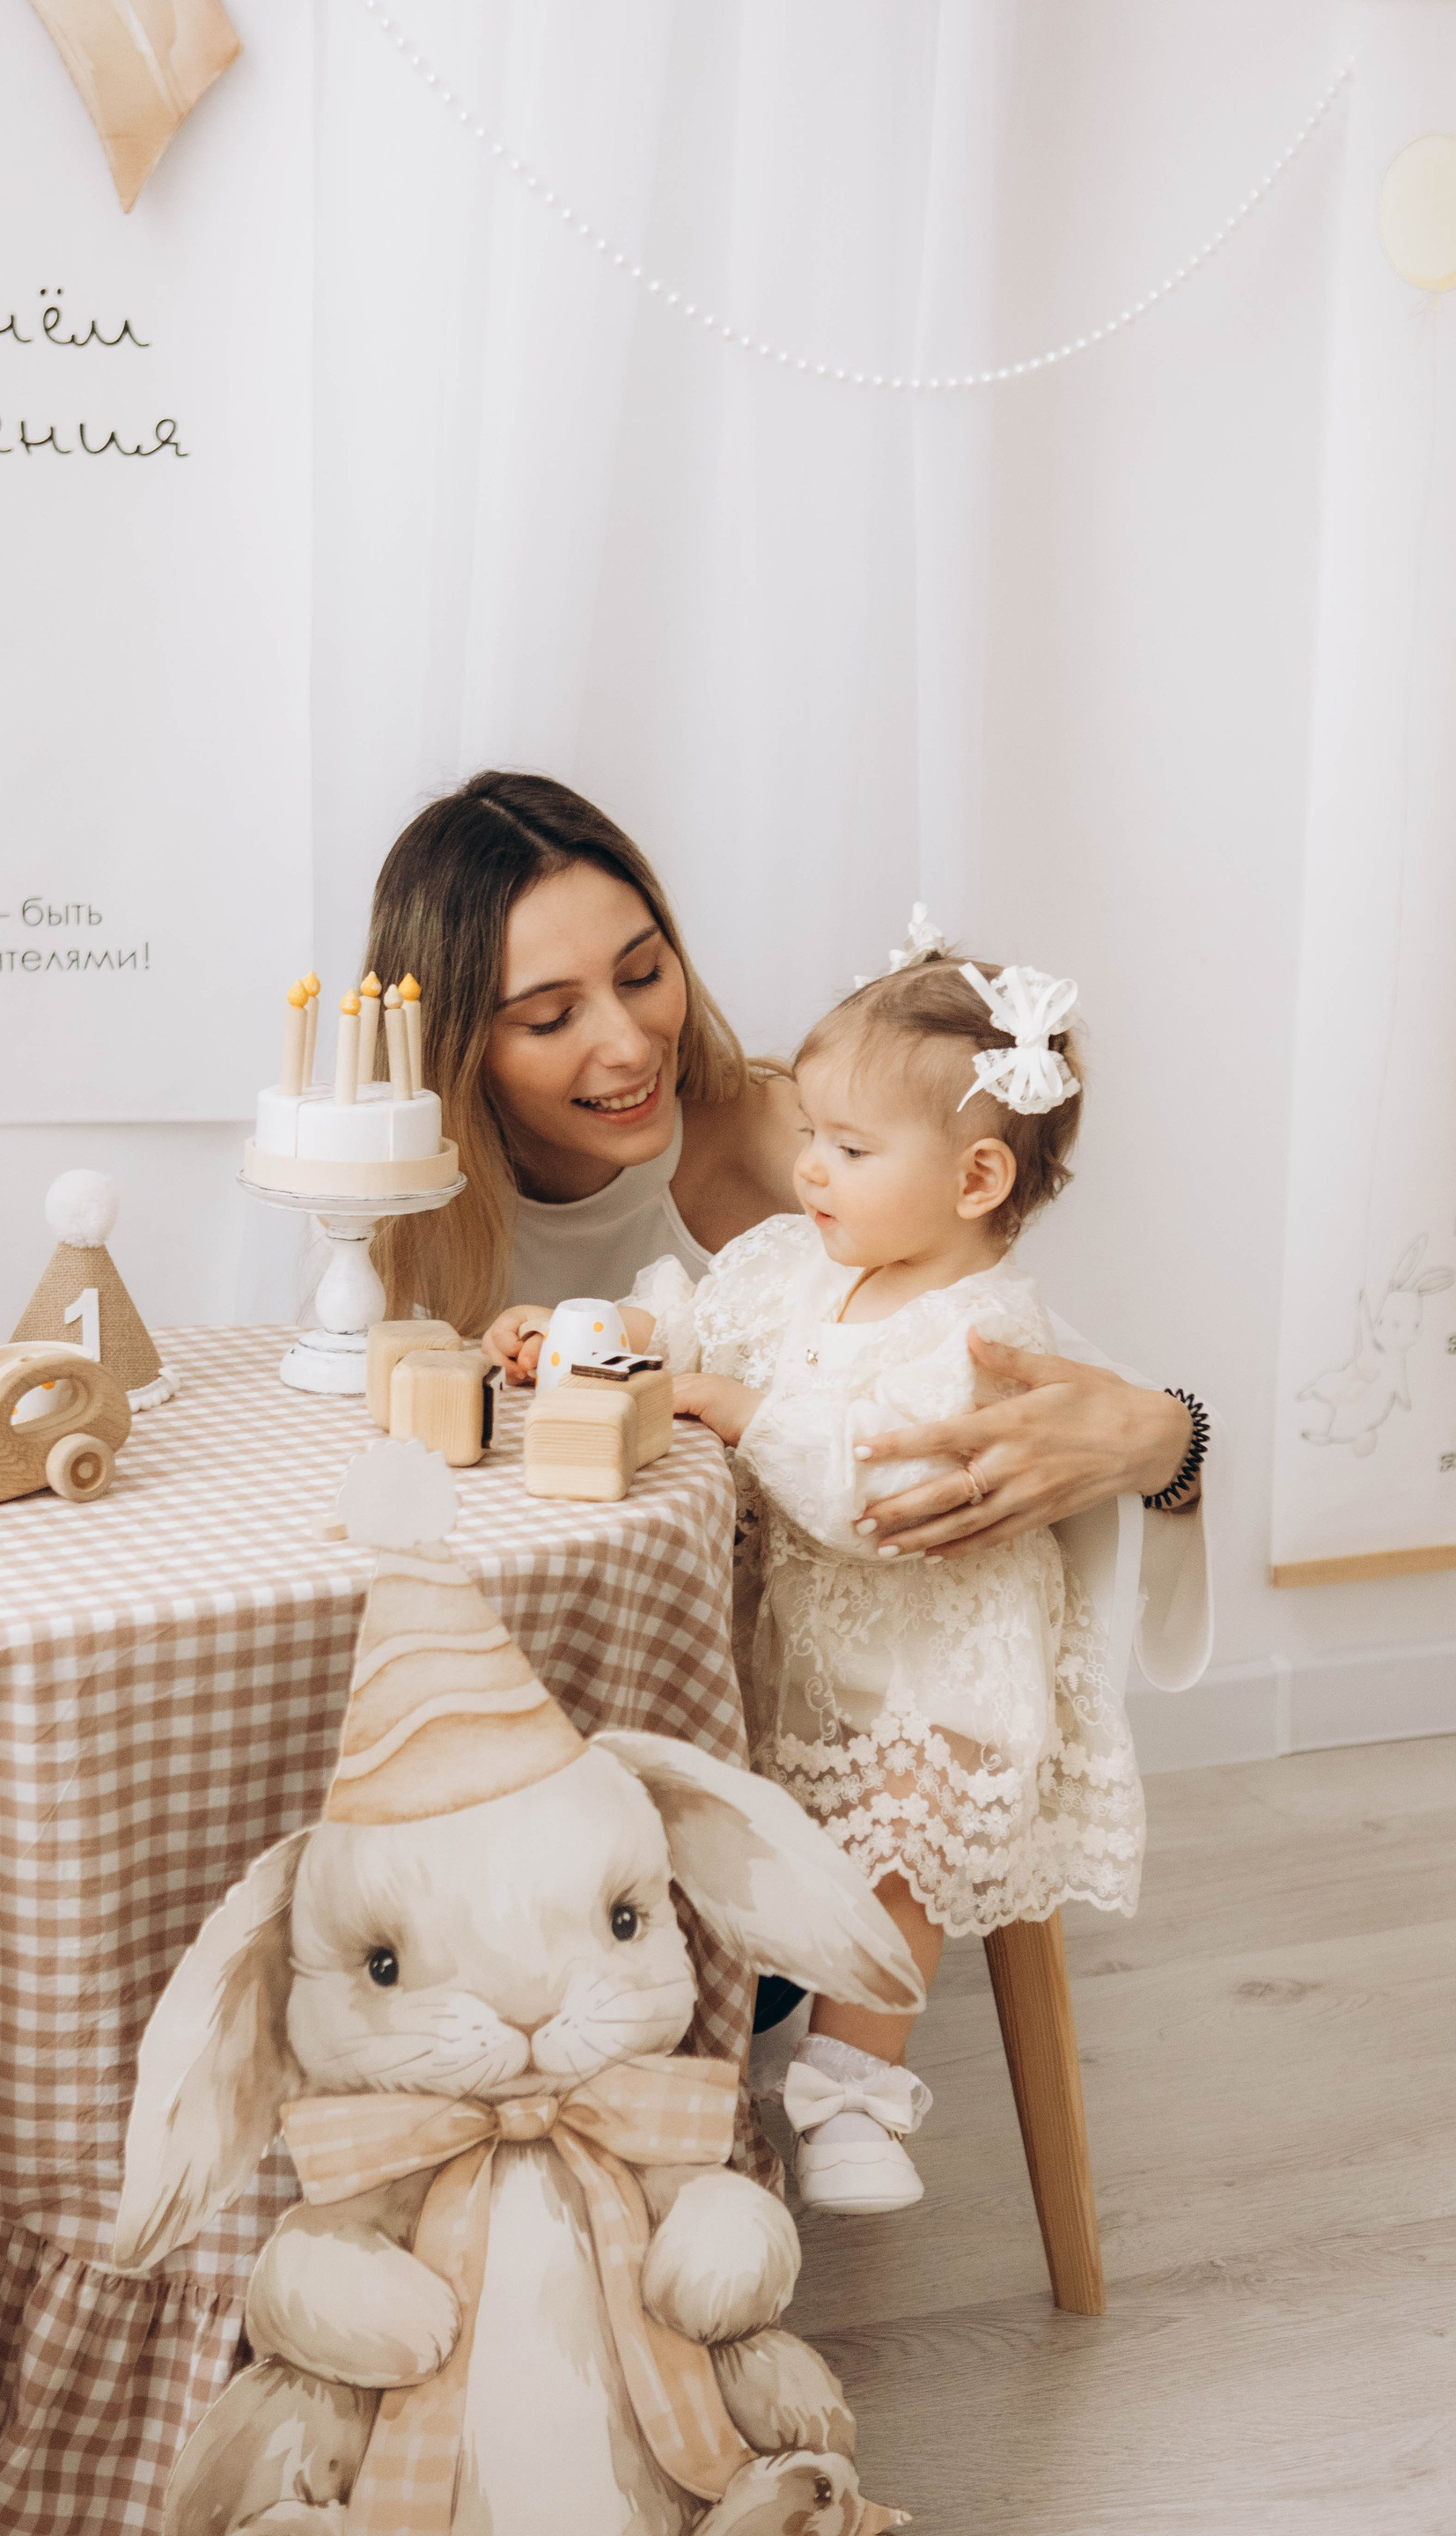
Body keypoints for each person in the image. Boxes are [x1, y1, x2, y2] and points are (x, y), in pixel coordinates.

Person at [601, 947, 1196, 2215]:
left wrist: (738, 1411)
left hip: (934, 1670)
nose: (810, 1167)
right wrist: (614, 1338)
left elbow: (880, 1497)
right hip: (810, 1653)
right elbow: (704, 1320)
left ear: (977, 1178)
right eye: (812, 1135)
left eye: (851, 1148)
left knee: (897, 1856)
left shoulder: (981, 1333)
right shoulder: (797, 1264)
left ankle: (855, 2089)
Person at [369, 770, 1202, 1566]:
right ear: (457, 1046)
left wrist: (1167, 1444)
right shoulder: (404, 1211)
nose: (628, 1046)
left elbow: (1055, 1395)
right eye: (552, 1018)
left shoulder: (810, 1151)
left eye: (643, 974)